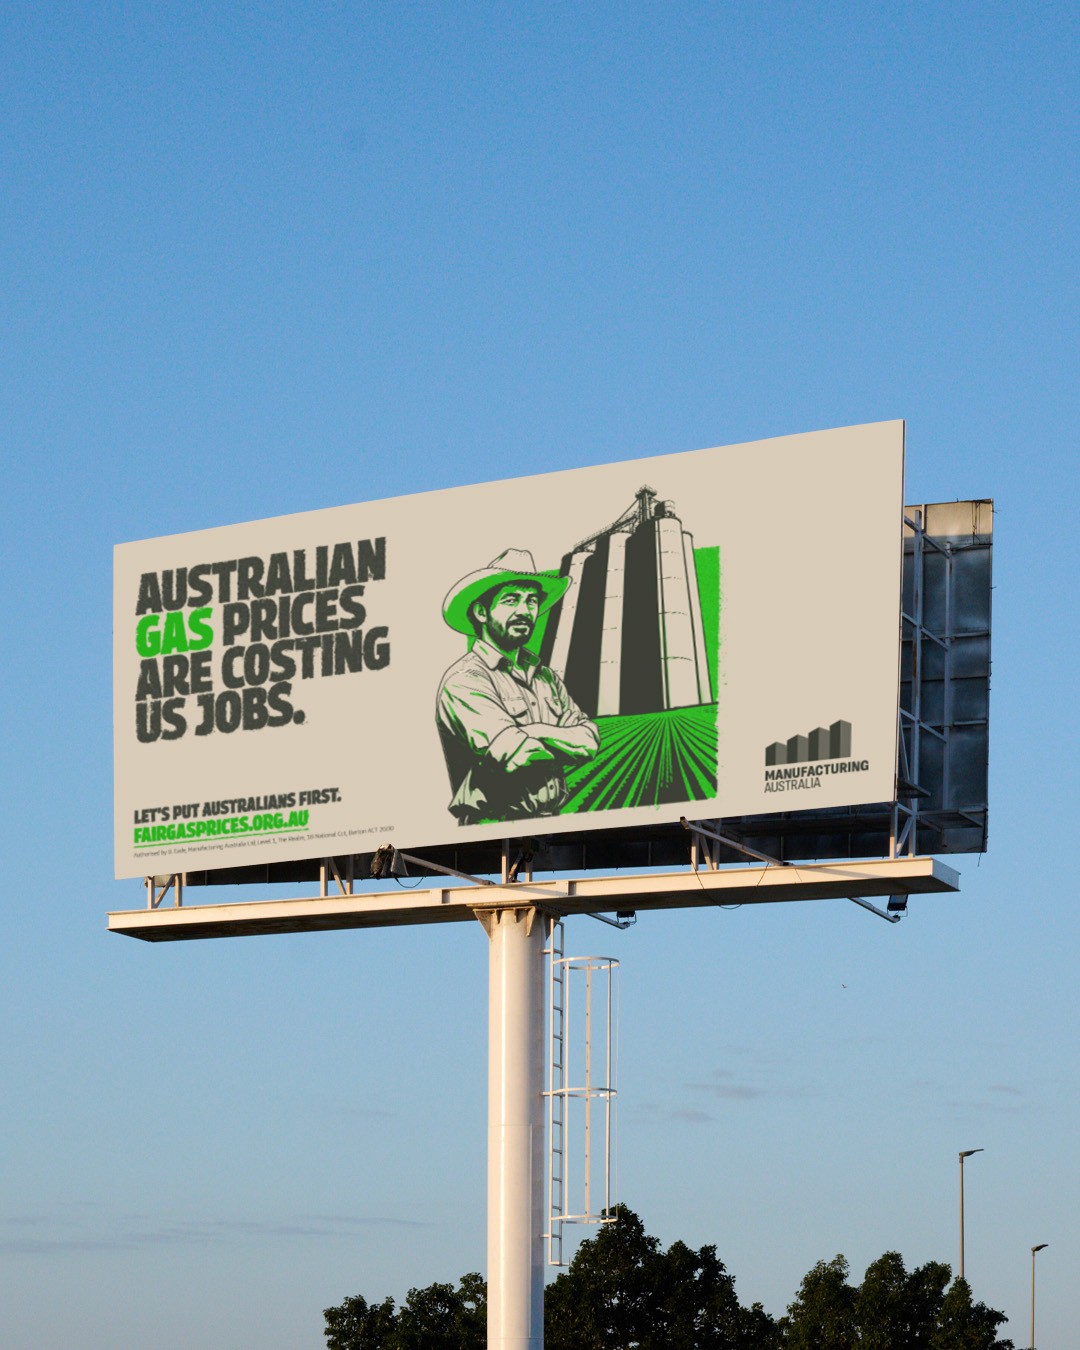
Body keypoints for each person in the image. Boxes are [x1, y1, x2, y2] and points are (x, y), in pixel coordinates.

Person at [436, 549, 599, 825]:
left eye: (531, 601)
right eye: (511, 600)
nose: (525, 611)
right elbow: (517, 755)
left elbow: (590, 742)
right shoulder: (465, 679)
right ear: (481, 611)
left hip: (548, 823)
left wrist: (535, 731)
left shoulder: (545, 677)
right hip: (492, 826)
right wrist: (562, 739)